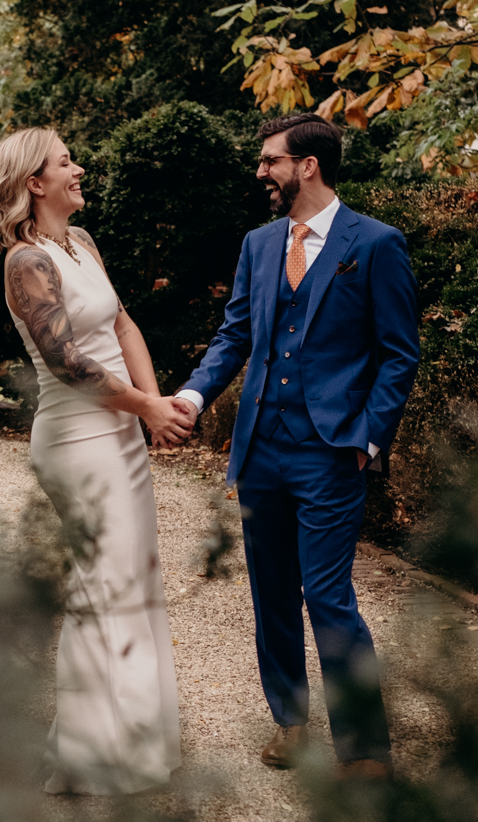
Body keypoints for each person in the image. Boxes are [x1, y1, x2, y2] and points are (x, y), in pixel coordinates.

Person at [162, 113, 419, 781]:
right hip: (261, 448)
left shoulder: (377, 244)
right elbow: (234, 335)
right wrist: (193, 396)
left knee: (329, 597)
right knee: (272, 592)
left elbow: (399, 355)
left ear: (307, 165)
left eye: (270, 160)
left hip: (331, 452)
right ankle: (291, 722)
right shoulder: (258, 244)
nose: (261, 172)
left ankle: (363, 748)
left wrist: (367, 436)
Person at [0, 128, 187, 794]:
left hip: (119, 430)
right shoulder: (25, 262)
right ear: (35, 183)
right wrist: (144, 409)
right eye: (66, 162)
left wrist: (152, 407)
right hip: (78, 441)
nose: (80, 168)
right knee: (102, 586)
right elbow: (68, 362)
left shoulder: (81, 245)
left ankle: (133, 744)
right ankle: (85, 758)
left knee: (132, 580)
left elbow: (121, 326)